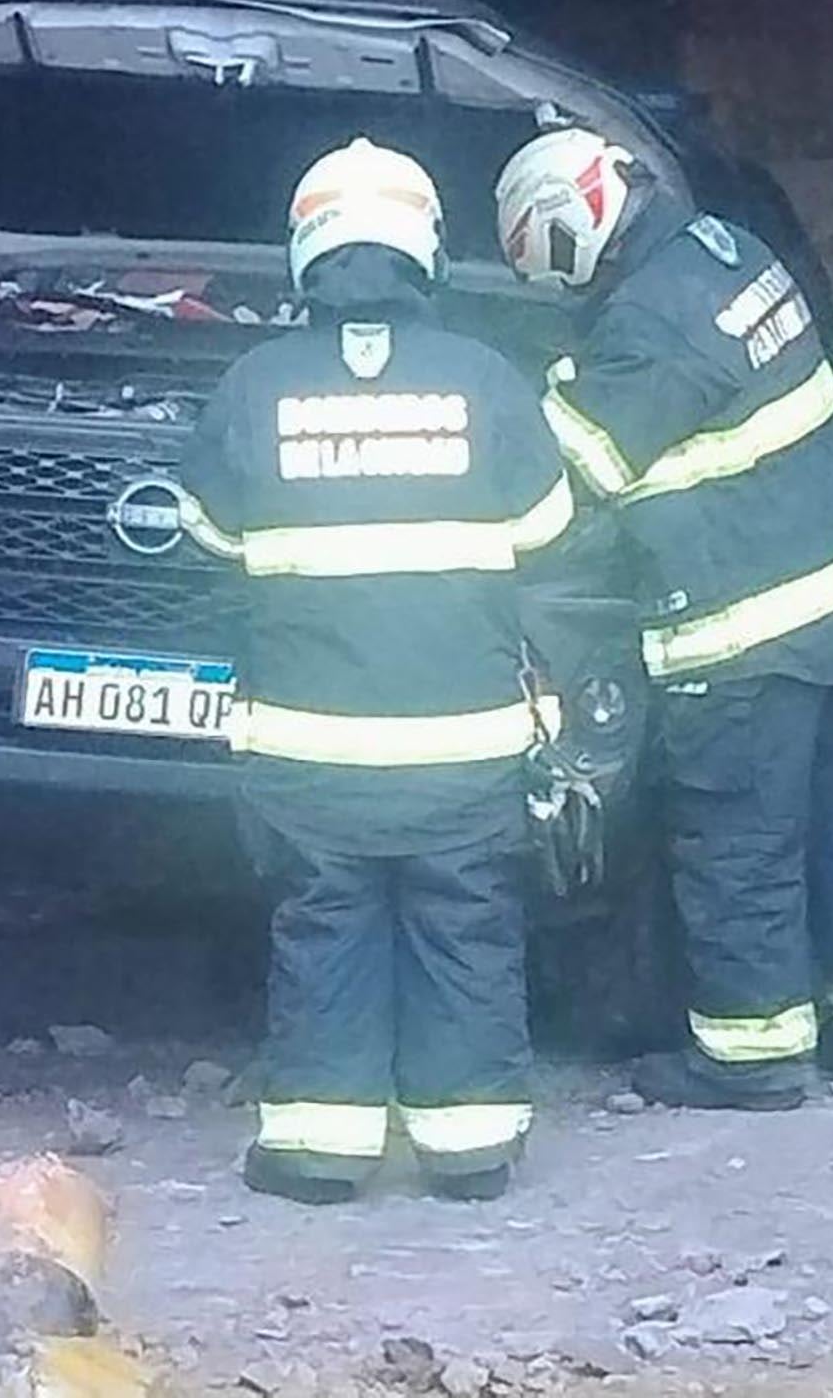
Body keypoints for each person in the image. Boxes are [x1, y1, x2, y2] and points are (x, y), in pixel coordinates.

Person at [493, 126, 833, 1111]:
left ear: (567, 231)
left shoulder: (645, 322)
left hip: (747, 636)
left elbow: (577, 474)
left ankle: (753, 1055)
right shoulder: (728, 248)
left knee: (741, 849)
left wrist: (543, 396)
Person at [179, 138, 574, 1204]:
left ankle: (318, 1152)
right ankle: (470, 1152)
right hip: (465, 744)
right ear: (425, 246)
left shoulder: (255, 383)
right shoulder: (484, 377)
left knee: (325, 933)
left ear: (305, 248)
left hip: (310, 749)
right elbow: (549, 526)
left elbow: (208, 534)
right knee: (467, 932)